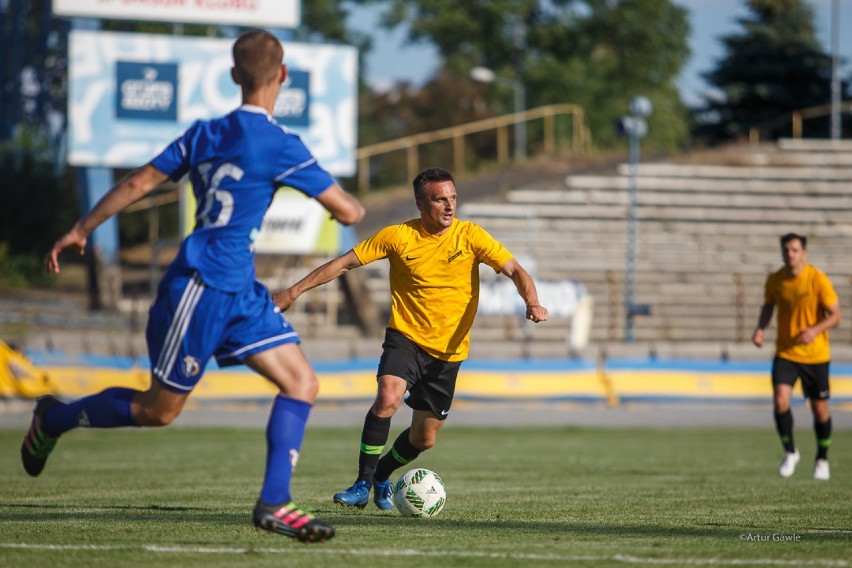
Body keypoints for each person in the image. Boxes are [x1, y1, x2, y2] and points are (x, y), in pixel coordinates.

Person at [24, 29, 365, 543]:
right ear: (284, 77)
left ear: (234, 76)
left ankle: (275, 502)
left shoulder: (205, 132)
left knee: (302, 382)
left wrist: (81, 230)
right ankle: (55, 417)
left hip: (241, 290)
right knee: (158, 411)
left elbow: (139, 182)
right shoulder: (281, 145)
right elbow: (349, 210)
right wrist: (308, 182)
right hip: (200, 287)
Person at [274, 166, 548, 510]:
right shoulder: (397, 236)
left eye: (452, 198)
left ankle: (381, 475)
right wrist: (293, 292)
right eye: (440, 200)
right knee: (388, 397)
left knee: (424, 438)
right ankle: (361, 483)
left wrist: (532, 301)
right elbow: (343, 264)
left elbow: (516, 271)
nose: (449, 207)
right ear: (421, 204)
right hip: (406, 338)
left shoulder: (471, 236)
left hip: (449, 353)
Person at [752, 233, 840, 481]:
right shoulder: (775, 280)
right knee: (781, 401)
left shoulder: (817, 279)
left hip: (815, 356)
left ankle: (822, 458)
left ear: (804, 253)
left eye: (794, 250)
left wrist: (814, 330)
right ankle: (790, 451)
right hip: (786, 353)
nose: (789, 254)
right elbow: (768, 305)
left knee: (820, 409)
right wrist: (760, 328)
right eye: (786, 250)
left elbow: (835, 315)